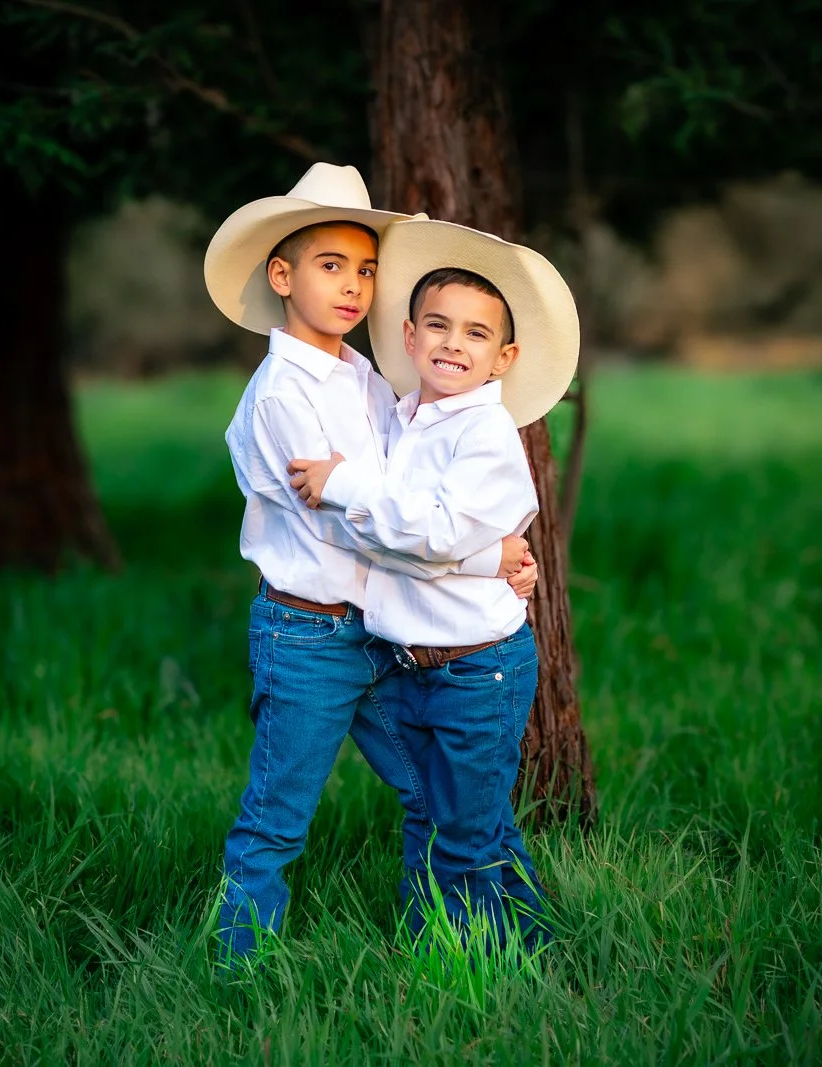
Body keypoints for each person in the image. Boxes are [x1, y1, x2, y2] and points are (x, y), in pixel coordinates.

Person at [203, 163, 539, 966]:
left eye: (366, 270)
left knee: (439, 796)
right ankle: (234, 965)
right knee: (279, 812)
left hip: (381, 633)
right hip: (311, 637)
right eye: (330, 266)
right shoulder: (283, 392)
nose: (353, 286)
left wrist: (476, 544)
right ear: (281, 276)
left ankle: (492, 945)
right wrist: (484, 555)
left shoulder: (365, 376)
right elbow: (357, 527)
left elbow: (413, 496)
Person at [287, 216, 580, 952]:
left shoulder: (485, 436)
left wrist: (344, 483)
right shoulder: (405, 417)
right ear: (410, 336)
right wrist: (493, 556)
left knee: (465, 834)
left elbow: (434, 532)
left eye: (477, 334)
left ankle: (477, 966)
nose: (455, 343)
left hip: (478, 669)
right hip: (409, 665)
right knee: (437, 816)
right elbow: (398, 537)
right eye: (439, 326)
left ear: (504, 357)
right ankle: (479, 944)